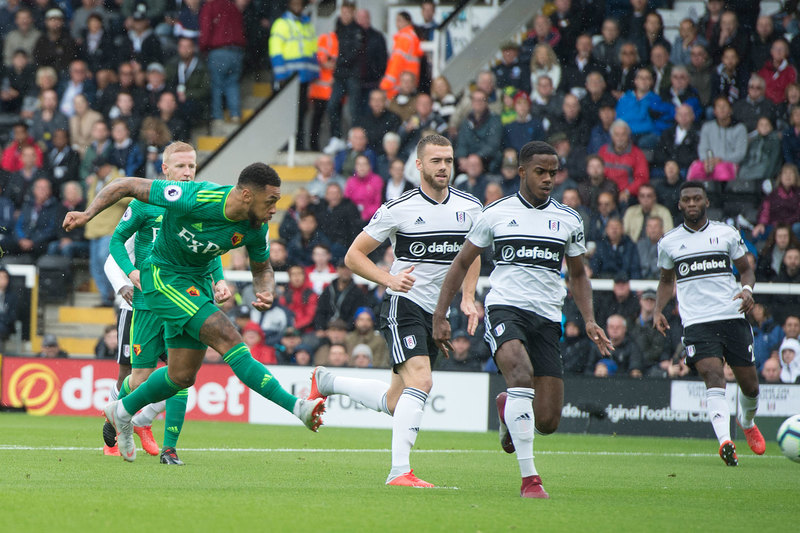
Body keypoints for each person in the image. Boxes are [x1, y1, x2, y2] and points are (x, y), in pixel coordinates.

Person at [63, 162, 326, 462]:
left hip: (197, 286)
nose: (275, 209)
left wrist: (266, 288)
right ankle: (298, 407)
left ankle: (121, 411)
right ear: (247, 196)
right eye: (271, 200)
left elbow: (263, 268)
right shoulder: (195, 196)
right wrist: (87, 214)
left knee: (181, 376)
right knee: (229, 337)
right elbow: (125, 185)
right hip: (162, 277)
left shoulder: (256, 228)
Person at [432, 141, 613, 498]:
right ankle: (530, 479)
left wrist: (589, 319)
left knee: (547, 421)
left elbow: (578, 275)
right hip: (505, 308)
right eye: (540, 172)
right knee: (519, 375)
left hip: (547, 316)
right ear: (522, 172)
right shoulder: (495, 213)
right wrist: (440, 315)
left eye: (553, 172)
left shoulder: (569, 219)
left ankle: (507, 409)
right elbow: (461, 263)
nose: (548, 179)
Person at [307, 134, 483, 488]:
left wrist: (467, 297)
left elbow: (473, 253)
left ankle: (327, 380)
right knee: (422, 380)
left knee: (395, 400)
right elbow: (353, 256)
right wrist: (388, 279)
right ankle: (398, 472)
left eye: (448, 160)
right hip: (404, 304)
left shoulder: (471, 207)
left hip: (437, 312)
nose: (444, 167)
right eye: (436, 161)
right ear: (419, 165)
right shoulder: (397, 208)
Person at [104, 142, 226, 464]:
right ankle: (117, 410)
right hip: (146, 301)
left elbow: (209, 250)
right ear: (166, 170)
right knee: (140, 377)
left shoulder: (202, 202)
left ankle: (170, 448)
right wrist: (130, 273)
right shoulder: (146, 203)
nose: (188, 173)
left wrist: (220, 280)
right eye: (181, 167)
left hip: (183, 300)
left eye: (192, 167)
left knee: (181, 373)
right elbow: (116, 240)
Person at [654, 181, 765, 466]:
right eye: (686, 200)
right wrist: (657, 310)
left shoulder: (726, 234)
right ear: (679, 205)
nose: (691, 204)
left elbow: (746, 270)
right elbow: (667, 281)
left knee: (750, 387)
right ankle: (725, 442)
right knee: (712, 376)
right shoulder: (668, 242)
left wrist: (748, 291)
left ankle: (747, 421)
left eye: (697, 199)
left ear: (706, 202)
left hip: (731, 316)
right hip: (697, 322)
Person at [688, 96, 747, 182]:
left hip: (729, 163)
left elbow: (740, 154)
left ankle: (721, 195)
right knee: (696, 168)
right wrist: (707, 161)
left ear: (730, 110)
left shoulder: (740, 128)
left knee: (721, 170)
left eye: (724, 106)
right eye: (718, 106)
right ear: (714, 111)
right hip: (708, 162)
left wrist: (721, 159)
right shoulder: (707, 127)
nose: (721, 109)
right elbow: (702, 148)